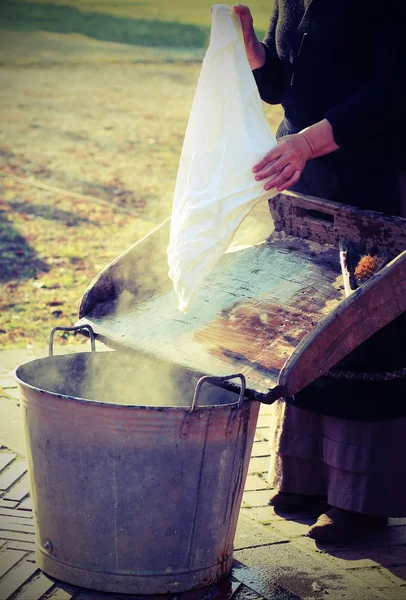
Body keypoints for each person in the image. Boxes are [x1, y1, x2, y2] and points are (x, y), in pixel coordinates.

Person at [232, 2, 406, 543]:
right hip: (307, 178)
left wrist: (307, 142)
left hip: (372, 177)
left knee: (361, 331)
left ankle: (361, 500)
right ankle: (305, 478)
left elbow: (395, 89)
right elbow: (289, 84)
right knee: (305, 321)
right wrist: (255, 55)